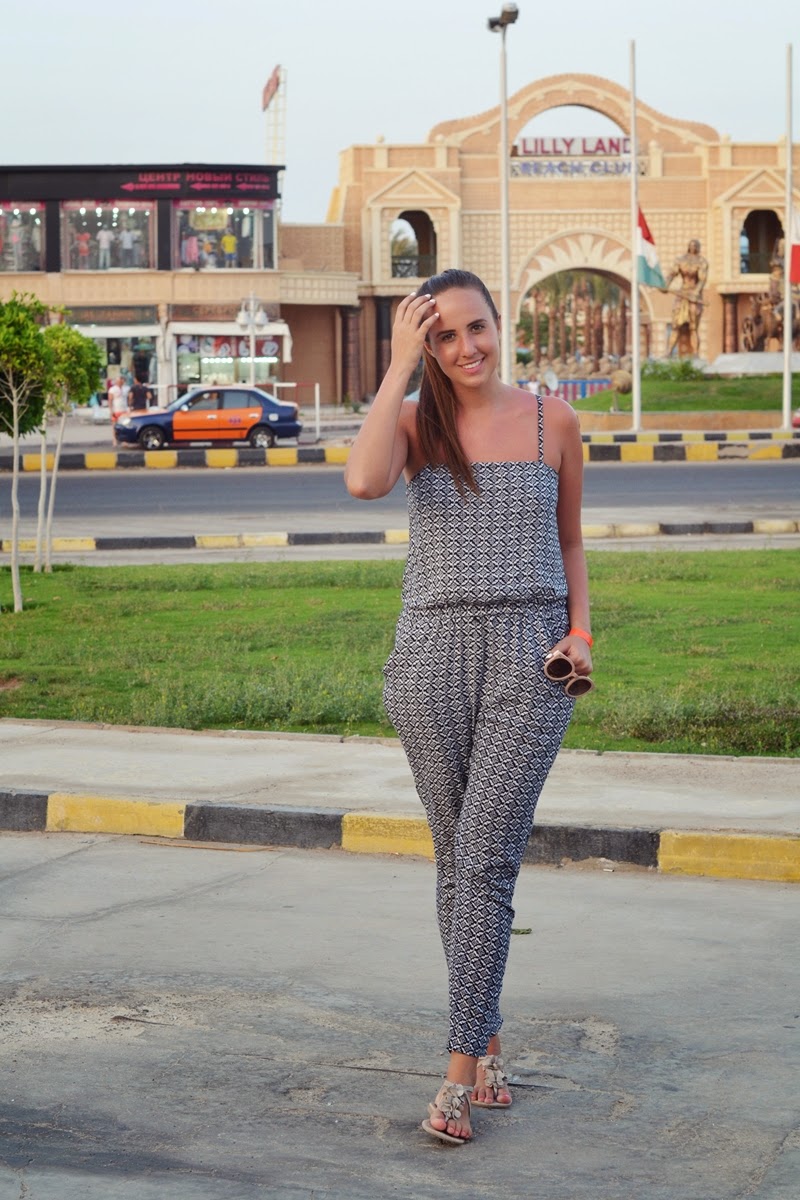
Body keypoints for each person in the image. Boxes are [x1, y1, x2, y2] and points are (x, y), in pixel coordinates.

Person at [344, 268, 593, 1146]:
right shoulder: (417, 423)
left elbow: (569, 541)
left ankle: (456, 1077)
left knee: (486, 859)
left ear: (499, 322)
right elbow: (363, 481)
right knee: (455, 861)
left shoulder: (553, 420)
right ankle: (484, 1042)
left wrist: (581, 632)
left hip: (531, 654)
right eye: (442, 336)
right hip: (431, 653)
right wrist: (397, 368)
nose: (465, 348)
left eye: (475, 327)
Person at [664, 239, 708, 357]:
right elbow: (672, 274)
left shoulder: (702, 262)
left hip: (694, 296)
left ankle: (695, 354)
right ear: (688, 247)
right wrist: (666, 285)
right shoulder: (681, 260)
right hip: (682, 294)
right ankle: (668, 352)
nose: (693, 247)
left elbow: (702, 280)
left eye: (695, 245)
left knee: (693, 327)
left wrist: (696, 292)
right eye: (691, 245)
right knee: (675, 325)